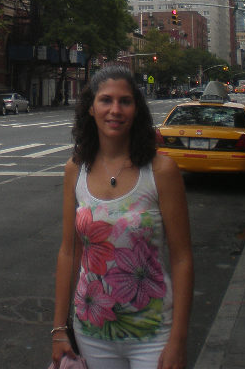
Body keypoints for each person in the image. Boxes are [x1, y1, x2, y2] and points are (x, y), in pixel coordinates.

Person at [51, 64, 193, 369]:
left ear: (136, 110)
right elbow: (69, 251)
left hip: (154, 333)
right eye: (106, 100)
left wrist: (179, 340)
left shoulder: (161, 171)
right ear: (91, 108)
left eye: (125, 101)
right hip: (91, 331)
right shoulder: (75, 169)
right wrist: (59, 330)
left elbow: (182, 258)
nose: (115, 110)